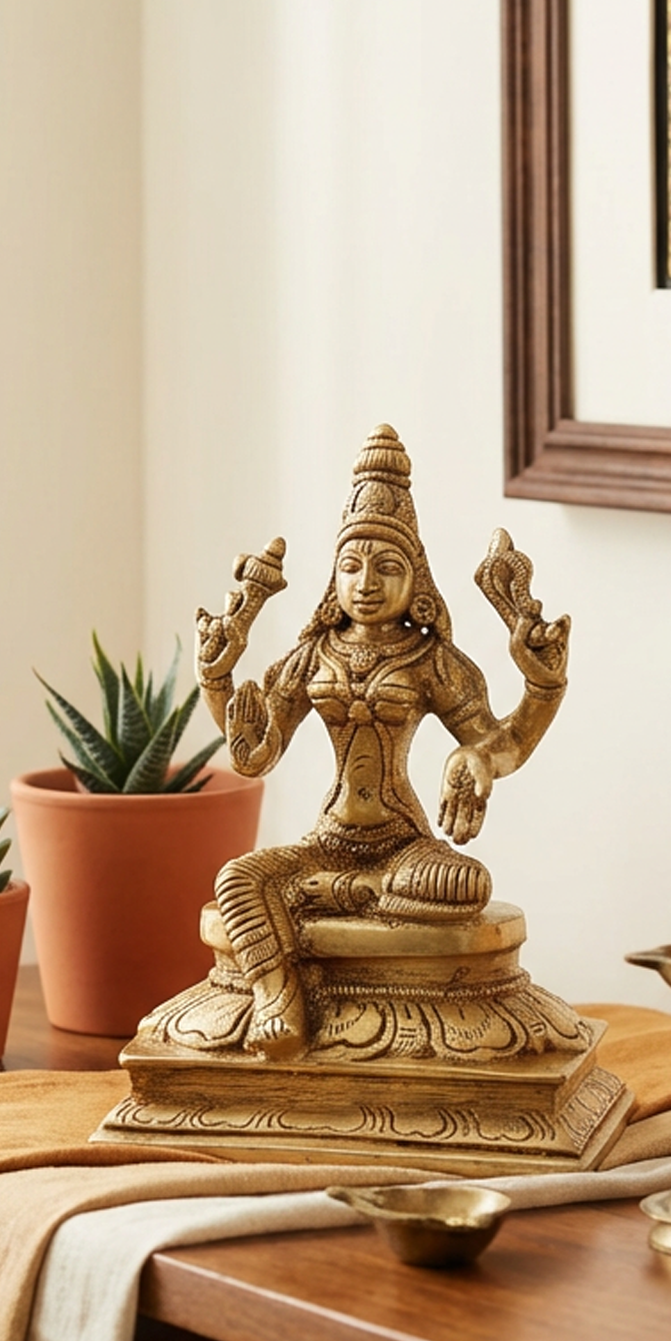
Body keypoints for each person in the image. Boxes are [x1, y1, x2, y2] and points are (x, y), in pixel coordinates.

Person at [192, 426, 569, 1059]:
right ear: (333, 578)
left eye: (387, 567)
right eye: (351, 565)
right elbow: (252, 754)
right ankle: (278, 997)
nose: (366, 581)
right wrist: (217, 678)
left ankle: (345, 899)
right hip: (329, 841)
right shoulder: (312, 654)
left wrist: (539, 690)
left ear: (416, 579)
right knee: (237, 879)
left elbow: (500, 744)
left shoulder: (432, 660)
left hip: (400, 847)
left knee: (465, 886)